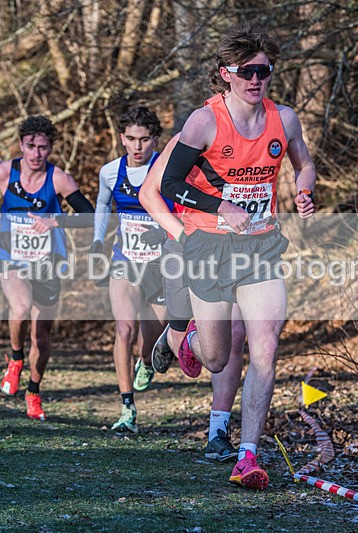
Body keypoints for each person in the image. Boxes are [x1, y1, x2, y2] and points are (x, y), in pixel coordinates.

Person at [159, 23, 317, 489]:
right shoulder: (204, 121)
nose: (256, 79)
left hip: (261, 246)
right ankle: (188, 340)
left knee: (264, 346)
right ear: (227, 74)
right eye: (247, 71)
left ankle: (247, 456)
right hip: (208, 245)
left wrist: (304, 189)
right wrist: (219, 205)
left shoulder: (283, 119)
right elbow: (170, 185)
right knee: (216, 356)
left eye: (264, 71)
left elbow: (303, 164)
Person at [0, 114, 95, 421]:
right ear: (21, 145)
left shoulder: (59, 179)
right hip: (11, 258)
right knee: (20, 308)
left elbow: (89, 216)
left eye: (43, 147)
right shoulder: (3, 171)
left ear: (51, 148)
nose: (36, 154)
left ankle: (33, 391)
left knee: (42, 337)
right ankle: (15, 357)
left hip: (48, 265)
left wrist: (55, 220)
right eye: (31, 146)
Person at [139, 134, 245, 462]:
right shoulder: (194, 133)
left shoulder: (265, 131)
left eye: (260, 76)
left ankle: (218, 433)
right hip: (189, 247)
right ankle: (175, 338)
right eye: (243, 77)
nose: (253, 81)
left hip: (239, 250)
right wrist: (180, 233)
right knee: (192, 338)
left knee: (236, 334)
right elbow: (149, 193)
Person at [91, 106, 170, 434]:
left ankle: (146, 362)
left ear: (155, 140)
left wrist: (163, 231)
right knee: (124, 329)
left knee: (153, 340)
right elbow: (103, 204)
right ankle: (127, 408)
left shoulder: (166, 170)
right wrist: (97, 241)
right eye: (131, 139)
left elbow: (184, 210)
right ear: (122, 138)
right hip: (124, 260)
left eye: (145, 140)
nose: (138, 146)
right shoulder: (110, 171)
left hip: (161, 265)